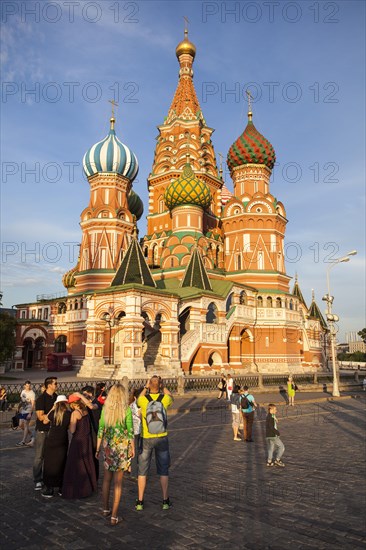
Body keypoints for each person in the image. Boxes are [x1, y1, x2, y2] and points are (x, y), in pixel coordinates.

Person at [96, 382, 135, 526]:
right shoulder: (126, 409)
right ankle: (114, 516)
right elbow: (130, 431)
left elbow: (101, 429)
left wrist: (97, 448)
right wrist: (133, 448)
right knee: (118, 482)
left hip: (108, 446)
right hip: (121, 447)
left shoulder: (105, 409)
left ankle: (105, 509)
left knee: (106, 479)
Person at [135, 375, 173, 511]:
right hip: (162, 437)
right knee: (163, 471)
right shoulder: (165, 399)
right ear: (160, 386)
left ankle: (140, 501)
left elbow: (137, 399)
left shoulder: (144, 400)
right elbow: (171, 396)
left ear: (149, 386)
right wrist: (163, 386)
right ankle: (165, 500)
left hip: (147, 437)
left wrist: (146, 387)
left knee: (142, 471)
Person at [62, 394, 97, 500]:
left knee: (76, 464)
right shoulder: (85, 410)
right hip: (86, 439)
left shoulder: (75, 413)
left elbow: (72, 430)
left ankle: (79, 488)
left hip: (78, 440)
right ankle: (89, 486)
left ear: (73, 404)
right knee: (87, 461)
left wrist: (67, 425)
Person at [42, 395, 72, 498]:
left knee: (49, 463)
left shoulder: (53, 413)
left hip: (51, 440)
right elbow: (70, 428)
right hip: (62, 440)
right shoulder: (69, 414)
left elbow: (45, 421)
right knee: (61, 462)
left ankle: (49, 488)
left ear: (57, 403)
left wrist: (52, 408)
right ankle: (61, 487)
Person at [33, 377, 58, 490]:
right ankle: (38, 479)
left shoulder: (57, 397)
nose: (57, 385)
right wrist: (53, 410)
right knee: (39, 456)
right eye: (55, 383)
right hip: (43, 431)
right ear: (49, 385)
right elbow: (41, 417)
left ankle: (49, 478)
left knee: (51, 456)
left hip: (54, 430)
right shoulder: (41, 399)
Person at [81, 385, 102, 480]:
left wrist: (80, 397)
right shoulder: (86, 403)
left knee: (94, 455)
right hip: (87, 431)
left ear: (90, 394)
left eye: (85, 394)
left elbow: (92, 407)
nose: (83, 396)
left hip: (95, 431)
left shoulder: (96, 403)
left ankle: (95, 477)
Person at [16, 381, 35, 446]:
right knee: (20, 425)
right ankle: (32, 435)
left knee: (26, 425)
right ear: (24, 386)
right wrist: (18, 408)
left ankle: (23, 441)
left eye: (29, 386)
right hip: (23, 410)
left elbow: (33, 404)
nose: (28, 387)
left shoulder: (32, 393)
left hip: (28, 411)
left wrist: (30, 413)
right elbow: (21, 400)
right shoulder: (23, 391)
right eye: (27, 386)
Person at [129, 387, 143, 477]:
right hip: (135, 430)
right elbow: (140, 416)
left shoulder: (132, 405)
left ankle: (134, 468)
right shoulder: (135, 406)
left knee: (138, 450)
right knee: (136, 451)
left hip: (138, 430)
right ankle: (134, 472)